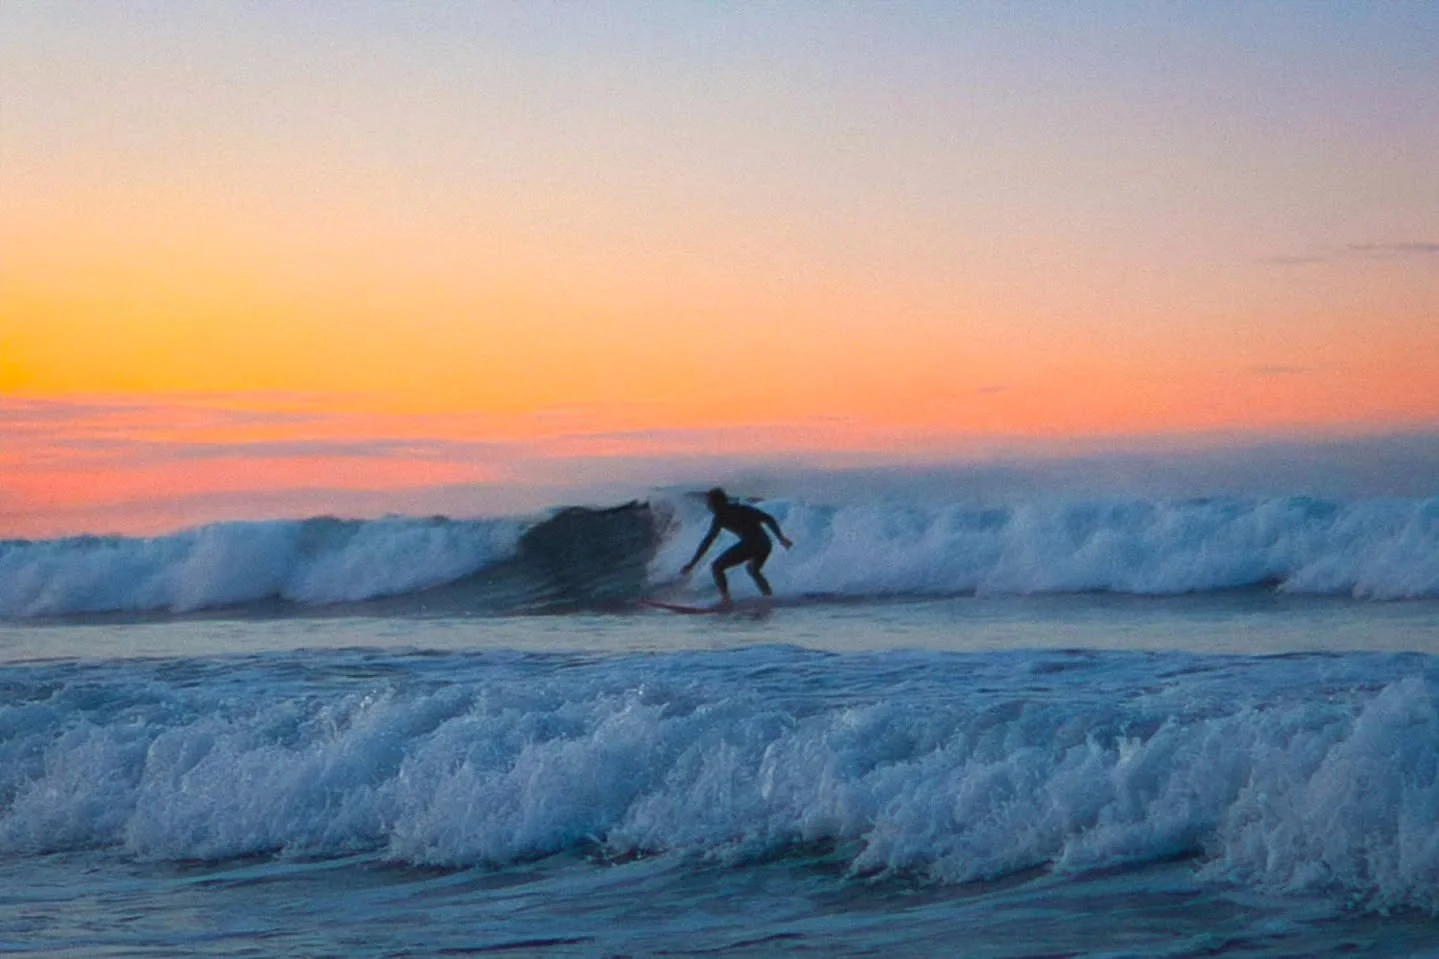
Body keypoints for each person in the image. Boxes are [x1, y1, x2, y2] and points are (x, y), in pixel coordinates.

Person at [681, 487, 793, 606]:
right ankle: (768, 596)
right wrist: (781, 538)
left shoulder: (720, 518)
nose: (708, 507)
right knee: (753, 570)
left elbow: (707, 542)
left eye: (710, 503)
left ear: (716, 503)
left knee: (717, 567)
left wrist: (692, 564)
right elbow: (768, 518)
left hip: (752, 544)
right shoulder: (741, 509)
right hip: (765, 544)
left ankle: (726, 599)